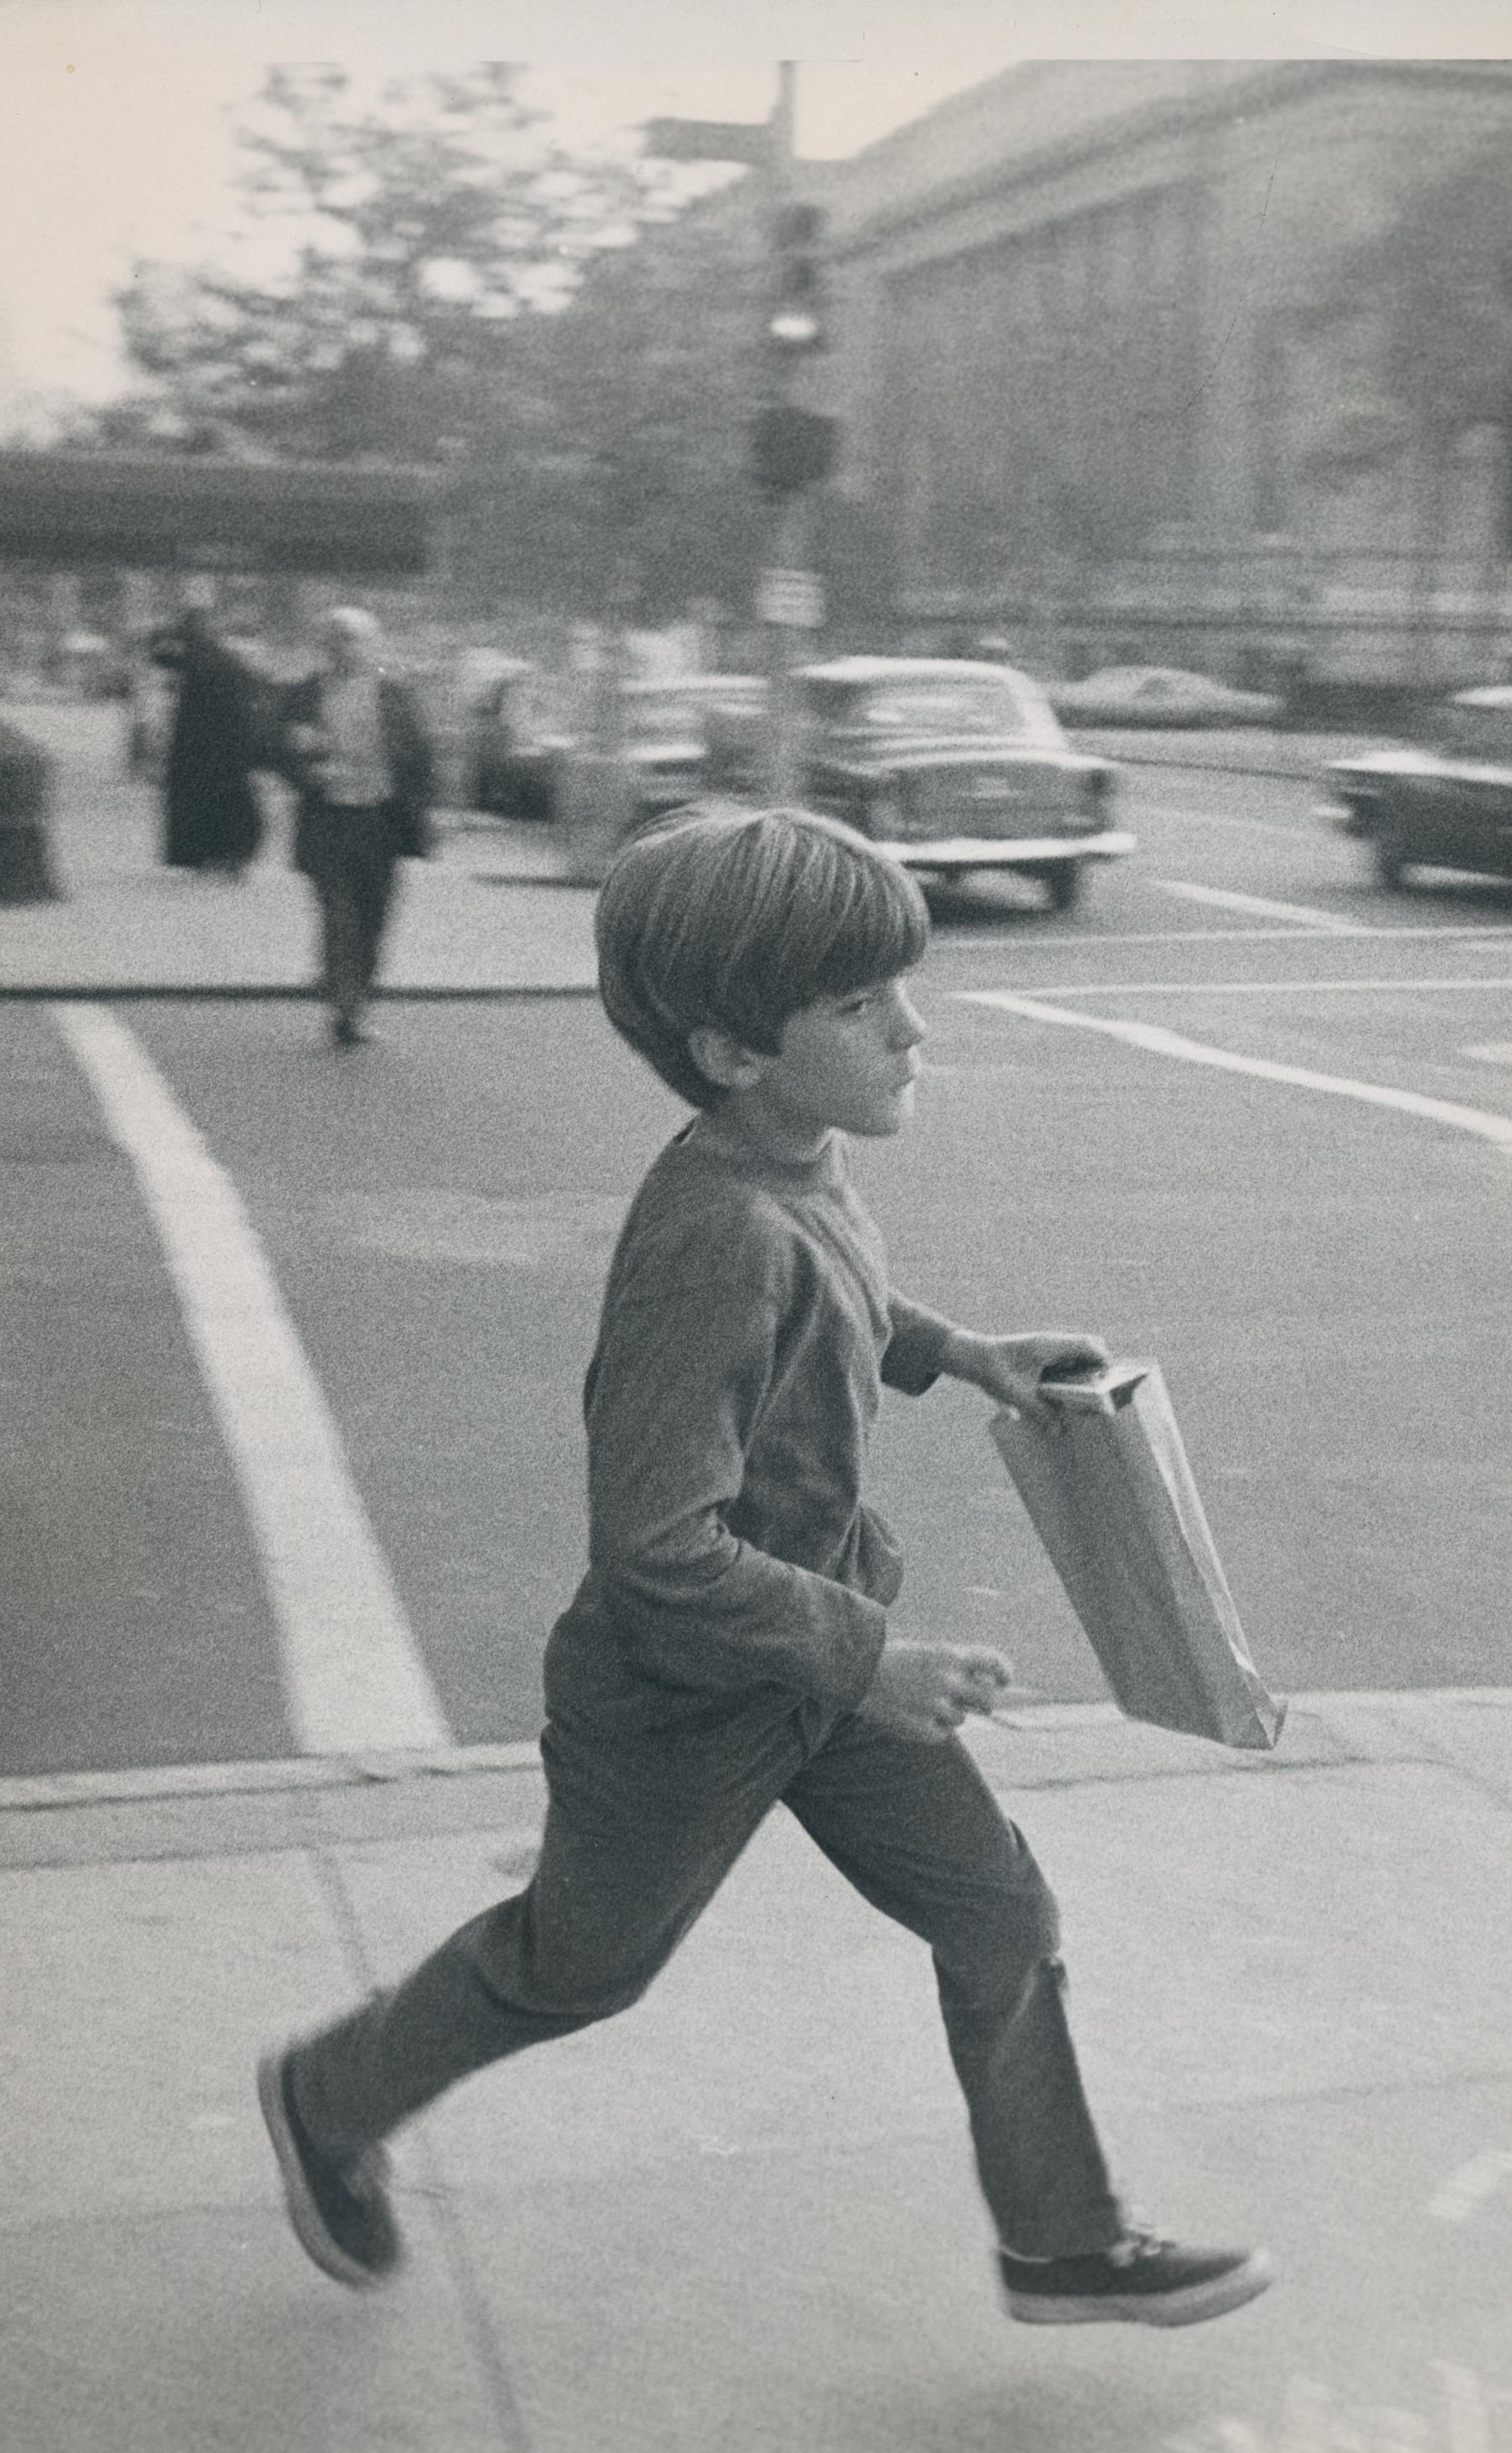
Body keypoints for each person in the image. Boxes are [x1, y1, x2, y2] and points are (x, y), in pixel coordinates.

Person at [256, 801, 1275, 2332]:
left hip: (818, 1665)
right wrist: (876, 1659)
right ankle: (327, 2094)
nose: (911, 1029)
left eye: (897, 986)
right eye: (859, 1004)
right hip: (681, 1701)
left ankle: (1058, 2239)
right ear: (734, 1049)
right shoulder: (714, 1236)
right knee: (574, 1967)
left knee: (996, 1913)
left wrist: (959, 1351)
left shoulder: (791, 1158)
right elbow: (654, 1542)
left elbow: (839, 1301)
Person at [277, 607, 435, 1046]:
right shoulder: (305, 695)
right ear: (324, 649)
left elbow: (420, 756)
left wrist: (427, 809)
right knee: (338, 915)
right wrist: (309, 774)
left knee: (374, 916)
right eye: (334, 642)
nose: (343, 650)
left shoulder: (395, 695)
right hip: (328, 820)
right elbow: (278, 747)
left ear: (371, 646)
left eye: (352, 641)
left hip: (380, 822)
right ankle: (344, 1007)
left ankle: (354, 993)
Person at [150, 605, 265, 880]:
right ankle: (233, 856)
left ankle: (207, 855)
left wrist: (163, 632)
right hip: (228, 749)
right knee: (231, 803)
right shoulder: (228, 659)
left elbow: (159, 655)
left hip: (196, 748)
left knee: (199, 804)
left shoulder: (195, 657)